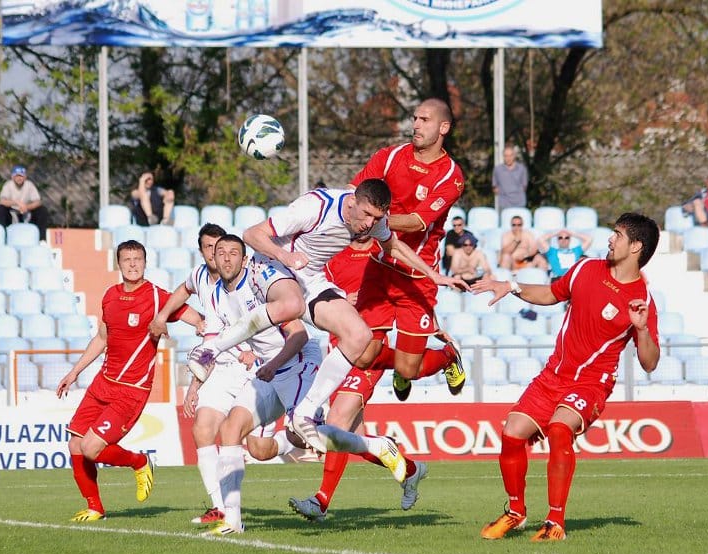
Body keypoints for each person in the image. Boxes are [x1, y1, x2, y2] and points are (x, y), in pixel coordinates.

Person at [153, 178, 464, 467]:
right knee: (292, 304)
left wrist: (433, 274)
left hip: (309, 277)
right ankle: (210, 351)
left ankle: (304, 413)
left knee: (360, 335)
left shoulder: (374, 223)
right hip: (271, 264)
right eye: (366, 214)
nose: (369, 224)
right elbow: (251, 235)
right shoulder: (316, 206)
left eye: (376, 218)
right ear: (352, 201)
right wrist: (286, 257)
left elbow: (393, 245)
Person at [199, 236, 406, 536]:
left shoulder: (261, 289)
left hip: (296, 363)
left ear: (244, 260)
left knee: (308, 436)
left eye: (234, 253)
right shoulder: (217, 295)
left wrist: (270, 364)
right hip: (267, 371)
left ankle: (377, 445)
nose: (227, 259)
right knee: (232, 431)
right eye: (221, 253)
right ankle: (232, 520)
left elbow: (298, 335)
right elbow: (219, 340)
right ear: (214, 259)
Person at [472, 212, 661, 542]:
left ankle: (555, 522)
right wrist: (511, 286)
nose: (610, 239)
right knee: (511, 433)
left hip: (592, 383)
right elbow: (550, 294)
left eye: (617, 234)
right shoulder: (585, 268)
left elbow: (650, 362)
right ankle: (515, 512)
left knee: (560, 430)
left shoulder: (642, 299)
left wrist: (642, 329)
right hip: (552, 376)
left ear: (636, 246)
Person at [148, 223, 293, 526]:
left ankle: (294, 440)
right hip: (222, 369)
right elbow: (205, 335)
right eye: (209, 248)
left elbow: (280, 319)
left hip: (253, 368)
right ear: (202, 251)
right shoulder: (203, 280)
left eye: (222, 248)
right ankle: (222, 508)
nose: (216, 254)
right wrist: (193, 385)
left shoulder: (252, 281)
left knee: (259, 449)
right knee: (203, 429)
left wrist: (258, 352)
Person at [56, 240, 203, 522]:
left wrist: (200, 324)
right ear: (118, 264)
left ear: (145, 263)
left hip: (131, 391)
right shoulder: (110, 296)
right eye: (127, 259)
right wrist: (74, 372)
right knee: (75, 445)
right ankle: (95, 507)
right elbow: (102, 337)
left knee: (91, 448)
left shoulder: (158, 297)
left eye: (138, 259)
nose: (133, 264)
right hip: (103, 382)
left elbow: (189, 313)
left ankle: (140, 461)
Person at [288, 237, 430, 523]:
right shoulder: (334, 256)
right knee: (353, 442)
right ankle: (412, 470)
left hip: (368, 351)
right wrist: (342, 297)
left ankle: (321, 502)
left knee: (337, 420)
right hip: (338, 356)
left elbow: (402, 299)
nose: (363, 223)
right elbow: (312, 298)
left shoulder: (383, 255)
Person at [349, 98, 467, 402]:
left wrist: (377, 219)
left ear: (443, 127)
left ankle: (448, 355)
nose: (415, 125)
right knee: (362, 355)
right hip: (379, 267)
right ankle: (398, 364)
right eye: (415, 118)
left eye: (424, 120)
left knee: (409, 368)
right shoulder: (389, 157)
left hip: (416, 276)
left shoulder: (450, 176)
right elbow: (354, 194)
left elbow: (417, 222)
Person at [0, 165, 50, 241]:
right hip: (11, 213)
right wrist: (16, 203)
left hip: (26, 213)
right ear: (13, 177)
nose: (19, 178)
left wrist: (27, 207)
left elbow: (38, 201)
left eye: (21, 176)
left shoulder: (29, 185)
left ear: (25, 177)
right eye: (17, 176)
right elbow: (2, 201)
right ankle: (2, 239)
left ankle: (41, 239)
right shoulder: (8, 185)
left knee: (42, 210)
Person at [492, 144, 528, 210]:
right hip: (504, 205)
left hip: (520, 204)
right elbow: (495, 187)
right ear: (503, 157)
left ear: (514, 156)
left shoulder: (522, 169)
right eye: (506, 156)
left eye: (510, 155)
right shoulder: (497, 169)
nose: (508, 158)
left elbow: (524, 187)